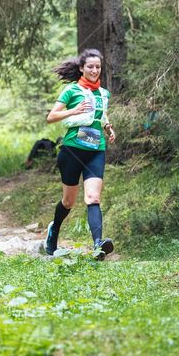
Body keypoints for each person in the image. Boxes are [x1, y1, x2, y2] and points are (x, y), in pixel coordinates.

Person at [42, 49, 116, 260]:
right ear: (82, 68)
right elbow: (51, 116)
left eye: (98, 67)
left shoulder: (103, 93)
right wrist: (73, 111)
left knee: (93, 197)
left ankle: (97, 246)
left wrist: (108, 127)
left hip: (96, 150)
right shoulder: (71, 91)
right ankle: (53, 231)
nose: (94, 70)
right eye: (90, 67)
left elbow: (101, 115)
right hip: (72, 150)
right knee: (68, 202)